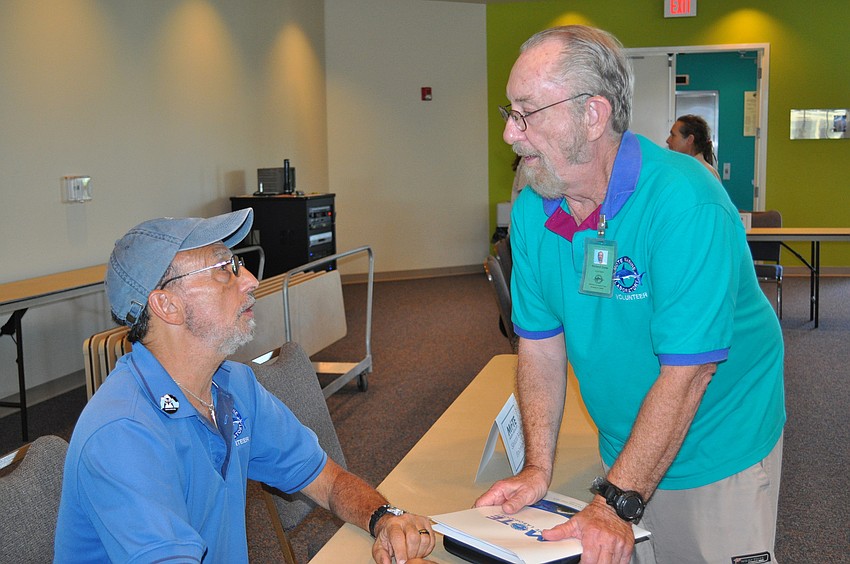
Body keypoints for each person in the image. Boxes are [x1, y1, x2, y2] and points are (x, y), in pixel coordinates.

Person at [477, 25, 785, 564]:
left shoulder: (686, 202)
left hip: (717, 444)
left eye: (526, 112)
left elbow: (688, 374)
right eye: (510, 112)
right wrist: (537, 469)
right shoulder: (533, 208)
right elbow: (541, 346)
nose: (510, 134)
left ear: (592, 115)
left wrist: (616, 502)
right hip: (623, 445)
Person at [55, 209, 436, 563]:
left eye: (237, 264)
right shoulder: (123, 432)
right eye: (224, 269)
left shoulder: (232, 384)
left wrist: (384, 517)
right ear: (166, 305)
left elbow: (328, 480)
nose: (251, 280)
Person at [666, 114, 721, 181]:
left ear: (690, 139)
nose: (668, 140)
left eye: (673, 135)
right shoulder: (687, 168)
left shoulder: (702, 173)